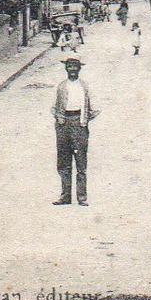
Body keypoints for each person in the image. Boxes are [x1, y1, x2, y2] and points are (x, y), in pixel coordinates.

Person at [52, 55, 98, 205]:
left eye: (75, 66)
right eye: (69, 66)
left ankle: (82, 197)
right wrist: (59, 118)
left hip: (79, 124)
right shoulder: (61, 87)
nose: (72, 69)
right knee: (63, 161)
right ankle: (65, 196)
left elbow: (95, 109)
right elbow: (53, 107)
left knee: (80, 161)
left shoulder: (84, 87)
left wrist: (84, 120)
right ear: (66, 69)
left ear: (79, 69)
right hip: (63, 124)